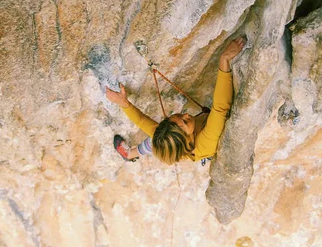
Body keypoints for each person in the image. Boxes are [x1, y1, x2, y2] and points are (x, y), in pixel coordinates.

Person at [105, 37, 245, 165]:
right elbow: (220, 109)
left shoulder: (173, 136)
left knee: (158, 141)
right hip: (195, 147)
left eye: (179, 115)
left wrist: (123, 103)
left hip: (174, 144)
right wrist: (224, 59)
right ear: (187, 138)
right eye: (185, 122)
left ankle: (130, 154)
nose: (186, 115)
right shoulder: (206, 142)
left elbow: (142, 121)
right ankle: (130, 154)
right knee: (158, 144)